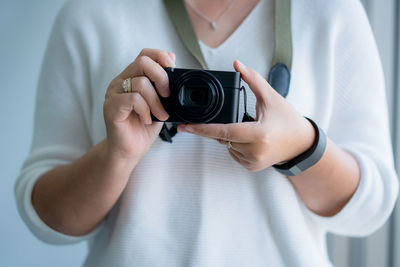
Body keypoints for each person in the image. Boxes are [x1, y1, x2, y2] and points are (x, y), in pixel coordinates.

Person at [15, 0, 399, 266]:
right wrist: (117, 155)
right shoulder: (91, 14)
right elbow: (45, 216)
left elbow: (371, 205)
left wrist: (299, 146)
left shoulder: (331, 11)